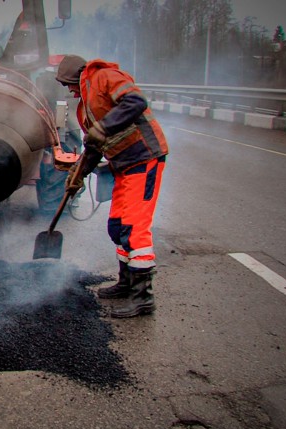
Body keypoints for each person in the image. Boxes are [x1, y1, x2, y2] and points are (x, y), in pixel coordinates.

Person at [55, 55, 168, 319]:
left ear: (78, 76)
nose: (69, 91)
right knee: (117, 226)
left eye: (69, 85)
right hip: (123, 165)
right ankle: (126, 283)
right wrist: (79, 174)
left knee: (134, 228)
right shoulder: (86, 108)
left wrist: (103, 127)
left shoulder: (104, 77)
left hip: (144, 158)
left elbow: (136, 102)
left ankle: (143, 298)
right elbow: (94, 146)